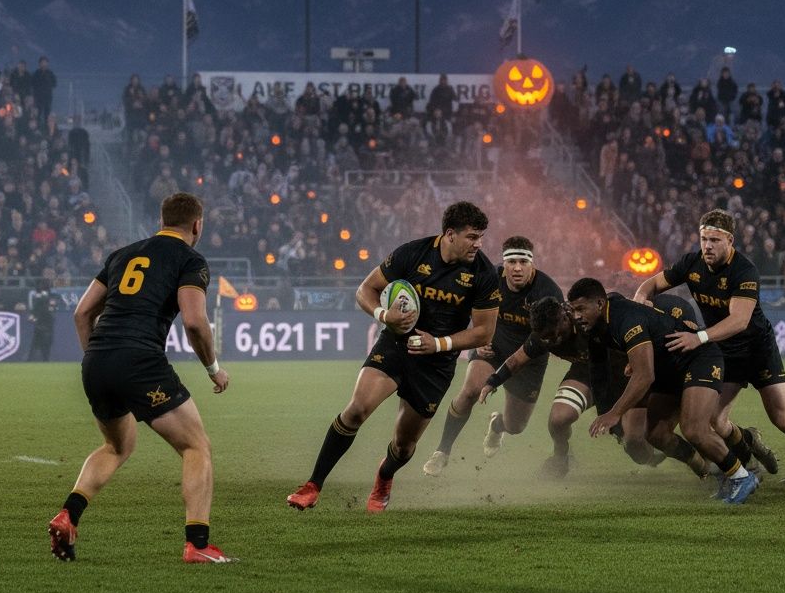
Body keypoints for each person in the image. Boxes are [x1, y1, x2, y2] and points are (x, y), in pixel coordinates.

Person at [47, 192, 233, 564]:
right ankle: (197, 545)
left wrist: (100, 360)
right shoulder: (190, 259)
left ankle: (68, 515)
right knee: (196, 447)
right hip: (140, 360)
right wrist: (214, 368)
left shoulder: (123, 254)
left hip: (97, 361)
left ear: (162, 220)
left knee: (117, 447)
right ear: (197, 225)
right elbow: (195, 321)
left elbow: (82, 313)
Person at [287, 201, 500, 513]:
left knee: (403, 445)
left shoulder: (482, 272)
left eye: (481, 237)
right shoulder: (413, 253)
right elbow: (365, 289)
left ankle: (384, 476)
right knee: (357, 410)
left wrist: (438, 344)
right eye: (472, 237)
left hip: (437, 363)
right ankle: (313, 485)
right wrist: (383, 315)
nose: (478, 244)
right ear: (449, 234)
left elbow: (484, 332)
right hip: (396, 346)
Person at [637, 209, 785, 495]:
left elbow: (739, 321)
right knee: (713, 420)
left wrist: (698, 337)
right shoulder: (692, 263)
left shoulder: (744, 270)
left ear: (730, 240)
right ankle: (748, 454)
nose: (707, 246)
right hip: (724, 352)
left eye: (714, 240)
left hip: (757, 350)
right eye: (703, 239)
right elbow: (652, 283)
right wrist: (641, 297)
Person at [570, 278, 761, 505]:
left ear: (600, 304)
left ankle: (741, 477)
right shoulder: (595, 329)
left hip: (698, 360)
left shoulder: (626, 319)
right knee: (656, 434)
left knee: (694, 429)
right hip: (669, 370)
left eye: (581, 309)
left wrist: (615, 413)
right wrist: (606, 412)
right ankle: (722, 473)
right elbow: (599, 372)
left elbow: (644, 376)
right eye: (573, 310)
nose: (577, 316)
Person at [493, 293, 710, 479]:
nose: (554, 340)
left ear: (565, 314)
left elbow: (620, 308)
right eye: (548, 337)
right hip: (587, 374)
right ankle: (560, 457)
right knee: (558, 419)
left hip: (625, 376)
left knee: (636, 444)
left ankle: (680, 457)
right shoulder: (545, 333)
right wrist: (491, 382)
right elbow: (516, 360)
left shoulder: (593, 317)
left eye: (557, 332)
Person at [420, 236, 563, 476]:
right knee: (469, 391)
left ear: (532, 264)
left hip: (529, 359)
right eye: (511, 261)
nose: (517, 268)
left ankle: (497, 425)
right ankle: (442, 452)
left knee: (516, 426)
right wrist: (474, 341)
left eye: (523, 262)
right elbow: (462, 308)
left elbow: (545, 338)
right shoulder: (489, 279)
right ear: (503, 263)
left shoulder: (548, 292)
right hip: (492, 349)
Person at [27, 286, 56, 362]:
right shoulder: (39, 305)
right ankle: (30, 360)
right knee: (36, 347)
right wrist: (33, 318)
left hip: (46, 329)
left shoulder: (48, 306)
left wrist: (34, 318)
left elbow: (51, 317)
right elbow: (32, 316)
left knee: (45, 348)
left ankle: (43, 360)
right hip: (40, 328)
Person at [32, 56, 57, 124]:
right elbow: (33, 84)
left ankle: (47, 128)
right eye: (42, 63)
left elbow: (54, 84)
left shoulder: (50, 73)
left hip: (47, 97)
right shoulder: (36, 73)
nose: (44, 64)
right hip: (38, 97)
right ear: (39, 64)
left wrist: (48, 81)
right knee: (38, 114)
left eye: (45, 63)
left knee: (47, 114)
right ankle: (38, 127)